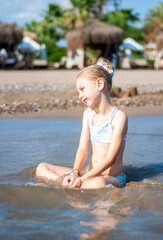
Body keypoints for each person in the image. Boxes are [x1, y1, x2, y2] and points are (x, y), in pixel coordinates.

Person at [36, 58, 128, 189]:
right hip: (88, 174)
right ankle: (68, 183)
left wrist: (82, 178)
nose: (80, 95)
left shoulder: (119, 118)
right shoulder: (88, 114)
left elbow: (110, 158)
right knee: (42, 167)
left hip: (110, 178)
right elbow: (82, 149)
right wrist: (75, 173)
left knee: (98, 183)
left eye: (82, 89)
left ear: (99, 84)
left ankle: (74, 185)